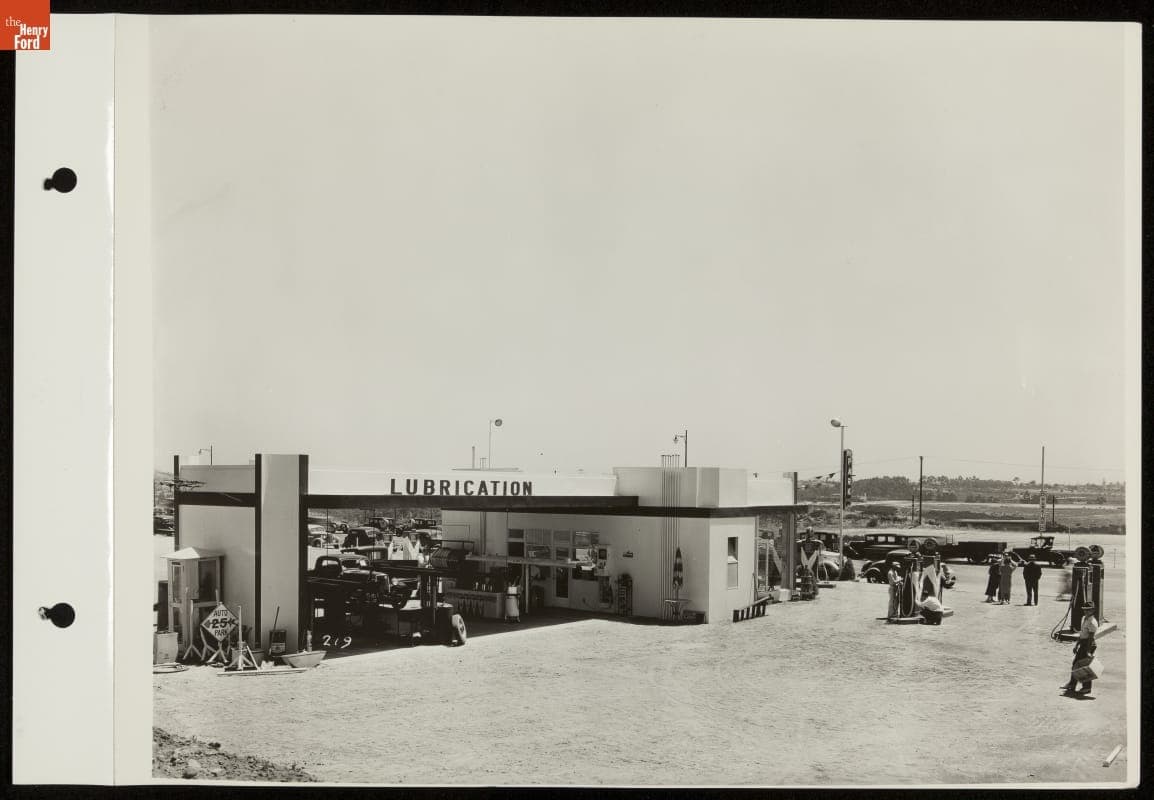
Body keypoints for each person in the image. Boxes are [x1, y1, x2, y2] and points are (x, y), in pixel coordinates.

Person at [1061, 603, 1099, 696]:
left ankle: (1086, 687)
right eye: (1085, 609)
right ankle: (1072, 684)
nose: (1086, 611)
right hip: (1083, 643)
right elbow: (1082, 634)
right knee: (1076, 664)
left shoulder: (1092, 622)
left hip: (1088, 645)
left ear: (1093, 610)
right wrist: (1076, 645)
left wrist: (1088, 651)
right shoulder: (1084, 618)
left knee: (1084, 666)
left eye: (1088, 609)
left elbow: (1090, 638)